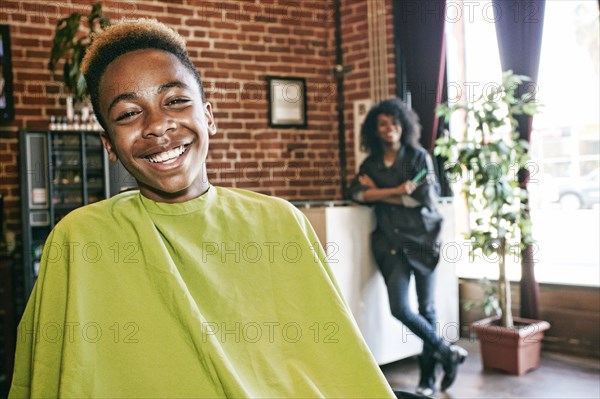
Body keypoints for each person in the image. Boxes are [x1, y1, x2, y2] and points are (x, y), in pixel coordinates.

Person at [9, 19, 396, 398]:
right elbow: (48, 378)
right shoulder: (79, 239)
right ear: (109, 144)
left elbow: (339, 367)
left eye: (175, 101)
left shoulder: (279, 222)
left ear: (208, 116)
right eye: (128, 113)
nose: (158, 125)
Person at [349, 99, 467, 396]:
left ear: (404, 125)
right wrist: (398, 190)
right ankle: (447, 351)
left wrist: (378, 193)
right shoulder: (371, 162)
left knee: (427, 309)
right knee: (400, 307)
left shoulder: (418, 157)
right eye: (382, 124)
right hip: (389, 243)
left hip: (422, 240)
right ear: (375, 130)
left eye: (394, 123)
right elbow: (356, 194)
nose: (389, 129)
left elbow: (424, 199)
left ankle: (427, 380)